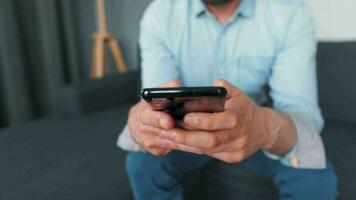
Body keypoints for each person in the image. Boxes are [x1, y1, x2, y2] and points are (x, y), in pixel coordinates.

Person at [117, 0, 338, 199]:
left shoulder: (289, 14)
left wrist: (263, 127)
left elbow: (301, 113)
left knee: (313, 171)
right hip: (185, 131)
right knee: (142, 162)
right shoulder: (160, 14)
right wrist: (142, 120)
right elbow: (155, 101)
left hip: (254, 129)